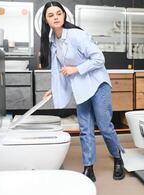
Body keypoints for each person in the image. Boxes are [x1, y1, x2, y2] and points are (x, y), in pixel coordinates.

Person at [40, 1, 125, 182]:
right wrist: (54, 89)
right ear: (46, 21)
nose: (55, 17)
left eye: (58, 13)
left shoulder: (76, 36)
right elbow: (60, 70)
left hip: (97, 84)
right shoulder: (52, 42)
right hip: (81, 88)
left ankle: (118, 158)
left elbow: (99, 59)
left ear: (64, 16)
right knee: (85, 129)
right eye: (51, 15)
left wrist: (76, 69)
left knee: (104, 125)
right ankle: (88, 168)